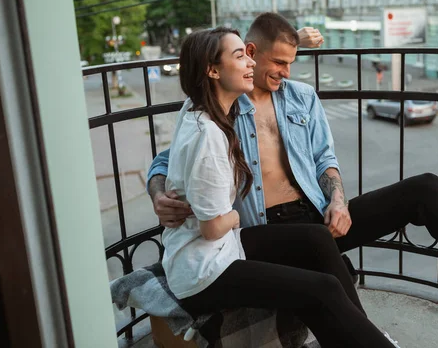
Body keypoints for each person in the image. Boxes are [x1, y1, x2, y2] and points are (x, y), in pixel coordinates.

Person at [165, 26, 399, 347]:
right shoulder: (208, 133)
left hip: (226, 247)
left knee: (318, 241)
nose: (249, 63)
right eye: (241, 56)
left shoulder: (210, 115)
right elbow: (212, 227)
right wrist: (232, 216)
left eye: (249, 55)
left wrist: (338, 201)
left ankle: (363, 337)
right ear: (212, 70)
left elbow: (263, 43)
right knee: (322, 290)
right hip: (207, 266)